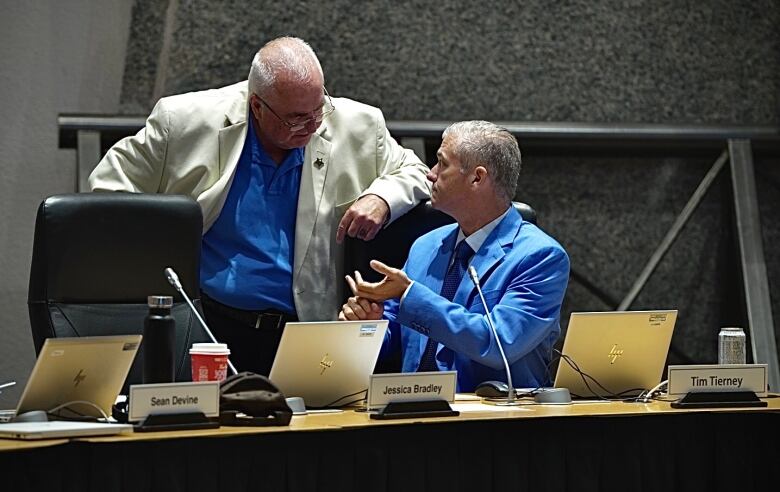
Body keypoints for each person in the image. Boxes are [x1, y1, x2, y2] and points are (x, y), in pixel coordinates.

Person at [89, 37, 430, 375]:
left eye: (318, 109)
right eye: (296, 118)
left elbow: (416, 172)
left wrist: (382, 197)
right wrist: (157, 260)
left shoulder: (359, 125)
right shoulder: (183, 122)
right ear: (256, 106)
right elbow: (110, 189)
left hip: (306, 325)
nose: (313, 126)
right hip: (208, 324)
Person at [339, 120, 569, 392]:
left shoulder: (541, 257)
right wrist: (369, 325)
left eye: (441, 164)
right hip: (409, 408)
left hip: (495, 420)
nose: (431, 174)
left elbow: (499, 344)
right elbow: (394, 335)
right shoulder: (425, 246)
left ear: (477, 178)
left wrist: (410, 295)